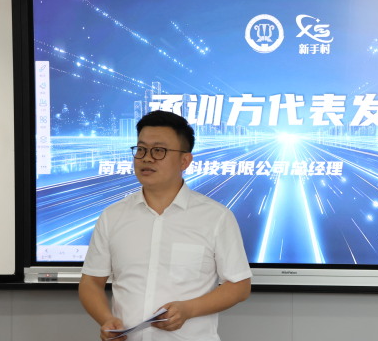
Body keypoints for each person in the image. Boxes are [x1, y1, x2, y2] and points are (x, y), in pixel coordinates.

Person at [79, 110, 252, 341]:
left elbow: (239, 286)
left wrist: (189, 309)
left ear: (184, 161)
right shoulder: (113, 216)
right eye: (141, 149)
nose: (147, 158)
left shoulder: (216, 217)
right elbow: (91, 282)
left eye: (159, 150)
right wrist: (106, 319)